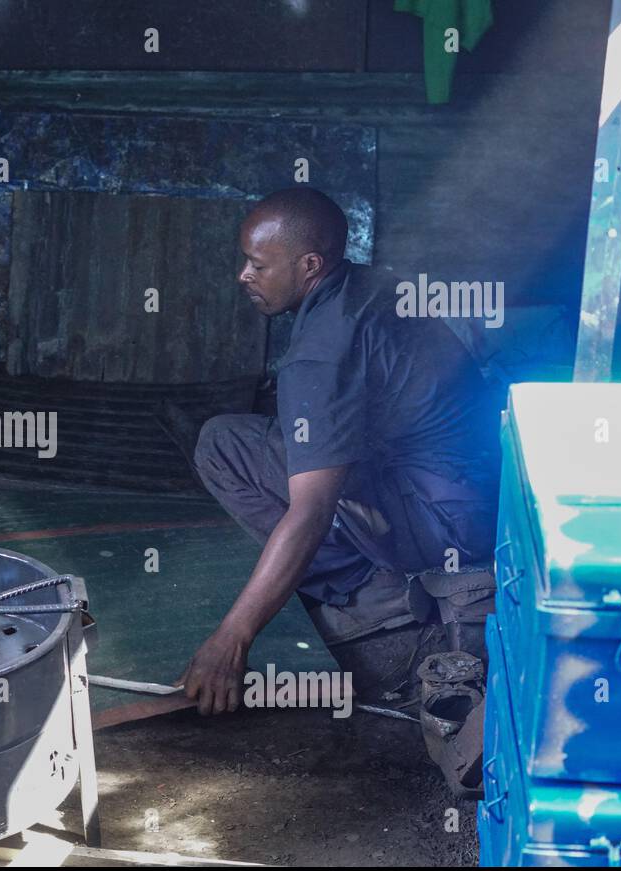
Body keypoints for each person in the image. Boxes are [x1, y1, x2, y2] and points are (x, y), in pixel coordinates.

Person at [183, 187, 500, 716]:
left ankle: (366, 594)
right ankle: (371, 573)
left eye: (258, 264)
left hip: (444, 522)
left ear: (310, 264)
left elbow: (311, 512)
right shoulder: (371, 287)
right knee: (272, 445)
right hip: (483, 496)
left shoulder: (320, 356)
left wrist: (231, 639)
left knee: (224, 445)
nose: (244, 275)